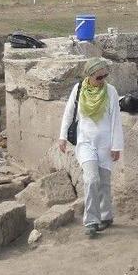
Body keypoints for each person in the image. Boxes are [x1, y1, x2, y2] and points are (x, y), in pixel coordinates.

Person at [58, 58, 124, 238]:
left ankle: (106, 215)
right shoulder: (79, 89)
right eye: (99, 77)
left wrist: (116, 145)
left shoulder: (110, 92)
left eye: (105, 76)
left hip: (105, 144)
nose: (102, 80)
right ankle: (92, 221)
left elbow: (116, 120)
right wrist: (62, 137)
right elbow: (69, 113)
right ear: (89, 75)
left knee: (103, 181)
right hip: (85, 142)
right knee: (91, 178)